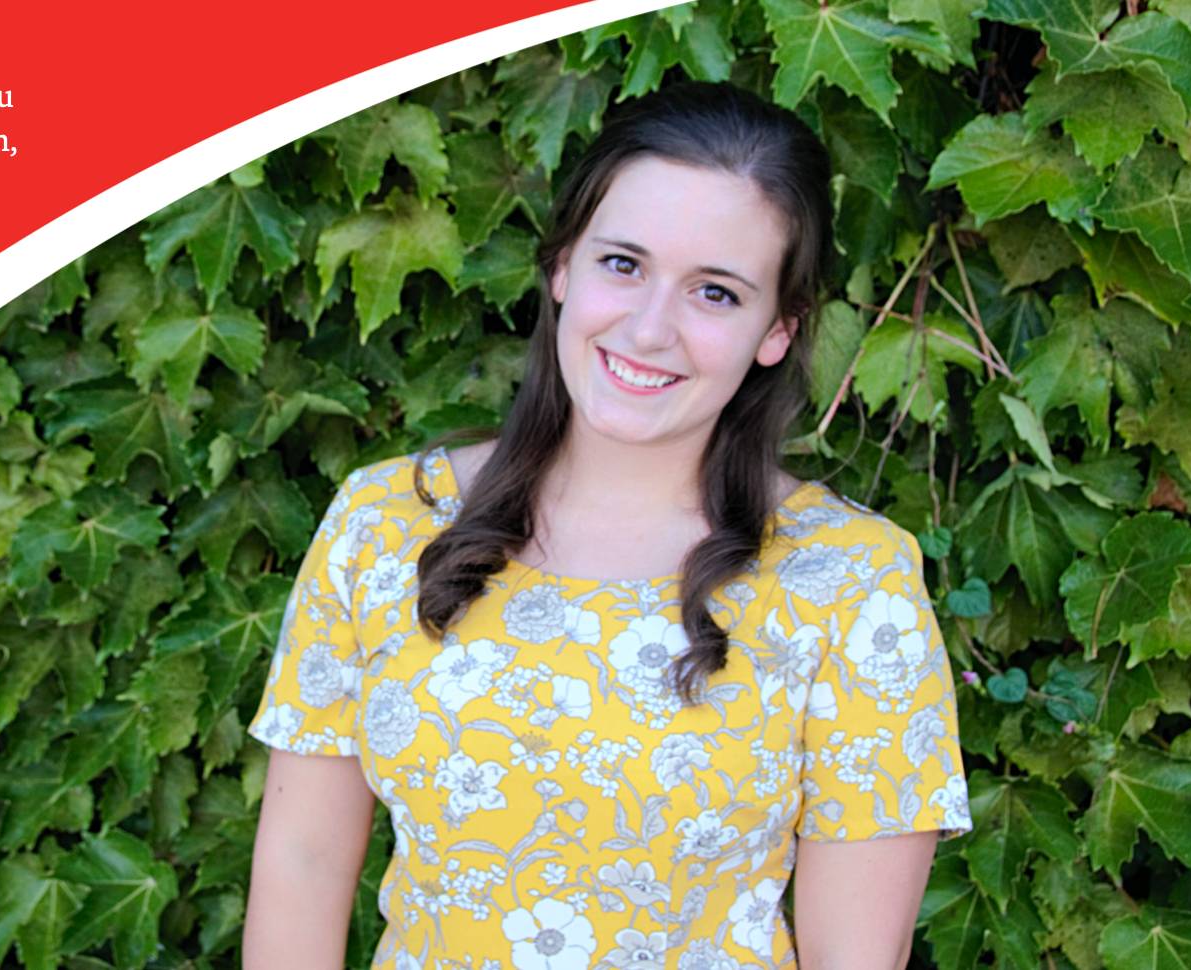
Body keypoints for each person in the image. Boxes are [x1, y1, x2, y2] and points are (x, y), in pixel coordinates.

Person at [243, 80, 972, 970]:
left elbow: (853, 959)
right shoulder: (383, 522)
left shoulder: (855, 584)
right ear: (562, 266)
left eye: (716, 293)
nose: (650, 328)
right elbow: (303, 864)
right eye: (623, 264)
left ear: (778, 330)